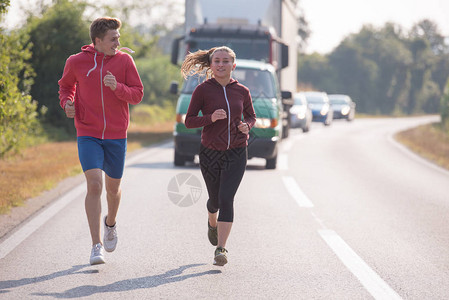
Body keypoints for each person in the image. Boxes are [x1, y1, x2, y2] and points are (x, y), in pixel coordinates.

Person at [58, 17, 143, 265]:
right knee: (94, 184)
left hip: (117, 134)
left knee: (112, 190)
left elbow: (137, 94)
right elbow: (65, 87)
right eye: (113, 39)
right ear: (97, 41)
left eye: (118, 37)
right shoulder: (76, 62)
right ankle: (96, 246)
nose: (118, 42)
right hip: (88, 132)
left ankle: (111, 223)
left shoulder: (125, 61)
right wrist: (67, 104)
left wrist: (118, 87)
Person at [182, 46, 256, 266]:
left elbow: (251, 116)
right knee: (214, 200)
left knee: (226, 198)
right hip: (210, 152)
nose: (221, 65)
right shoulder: (203, 90)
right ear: (211, 65)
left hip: (237, 151)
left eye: (225, 61)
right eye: (217, 61)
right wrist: (210, 118)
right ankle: (211, 221)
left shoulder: (242, 91)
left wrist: (247, 126)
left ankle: (221, 248)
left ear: (233, 65)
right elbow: (189, 121)